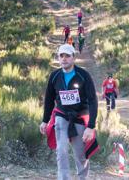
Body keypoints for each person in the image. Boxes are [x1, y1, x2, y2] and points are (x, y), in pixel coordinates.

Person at [40, 44, 99, 180]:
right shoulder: (54, 76)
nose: (64, 59)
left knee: (80, 155)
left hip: (79, 117)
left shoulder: (83, 75)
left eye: (67, 56)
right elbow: (49, 100)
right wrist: (45, 120)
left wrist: (90, 126)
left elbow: (92, 101)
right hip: (61, 116)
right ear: (58, 58)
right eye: (61, 56)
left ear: (74, 58)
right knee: (61, 151)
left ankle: (82, 178)